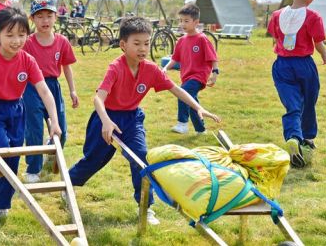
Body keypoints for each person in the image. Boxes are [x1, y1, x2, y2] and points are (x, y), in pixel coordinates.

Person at [68, 16, 221, 225]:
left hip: (132, 119)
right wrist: (105, 121)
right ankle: (68, 185)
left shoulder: (151, 69)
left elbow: (176, 89)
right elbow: (98, 98)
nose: (142, 49)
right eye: (137, 43)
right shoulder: (115, 67)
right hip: (107, 118)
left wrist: (198, 107)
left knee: (141, 159)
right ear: (123, 45)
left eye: (146, 43)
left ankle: (145, 206)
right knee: (94, 160)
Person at [0, 7, 61, 220]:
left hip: (16, 111)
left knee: (13, 156)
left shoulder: (27, 60)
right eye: (9, 35)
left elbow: (45, 92)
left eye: (21, 35)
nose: (16, 40)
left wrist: (54, 123)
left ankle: (3, 202)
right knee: (0, 151)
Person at [267, 0, 326, 168]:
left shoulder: (277, 15)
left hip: (282, 65)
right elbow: (317, 42)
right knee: (308, 101)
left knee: (293, 105)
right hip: (304, 65)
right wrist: (325, 55)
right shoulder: (313, 16)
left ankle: (294, 137)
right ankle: (308, 139)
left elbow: (276, 37)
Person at [23, 0, 79, 183]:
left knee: (60, 130)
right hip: (32, 88)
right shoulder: (28, 42)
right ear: (32, 19)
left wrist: (72, 91)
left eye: (49, 16)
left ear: (56, 17)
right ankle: (33, 168)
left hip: (53, 86)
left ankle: (51, 156)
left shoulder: (62, 41)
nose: (45, 21)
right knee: (34, 130)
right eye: (40, 17)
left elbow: (67, 66)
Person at [162, 3, 219, 135]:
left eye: (186, 21)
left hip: (198, 77)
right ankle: (201, 129)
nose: (182, 24)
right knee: (192, 102)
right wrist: (165, 68)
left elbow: (213, 58)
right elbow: (174, 59)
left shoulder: (202, 39)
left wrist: (215, 73)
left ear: (196, 22)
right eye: (181, 21)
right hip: (186, 77)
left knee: (183, 94)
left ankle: (182, 124)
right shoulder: (181, 41)